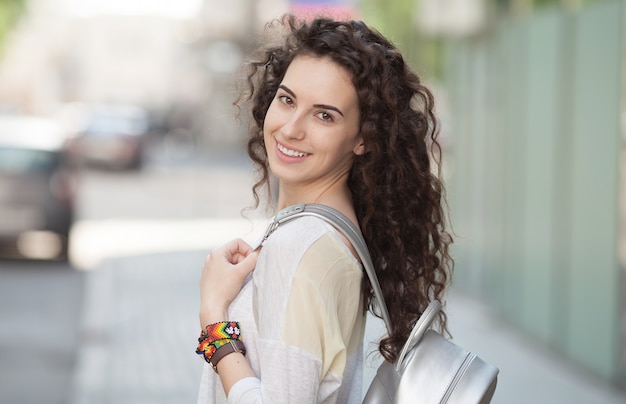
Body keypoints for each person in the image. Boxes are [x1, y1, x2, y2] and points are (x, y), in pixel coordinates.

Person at [196, 14, 453, 404]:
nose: (290, 128)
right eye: (287, 99)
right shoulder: (335, 233)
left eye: (324, 115)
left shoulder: (301, 245)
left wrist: (215, 321)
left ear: (363, 139)